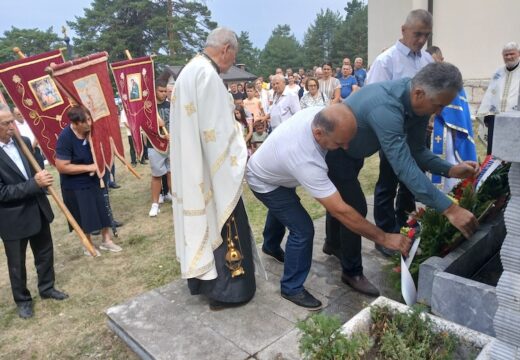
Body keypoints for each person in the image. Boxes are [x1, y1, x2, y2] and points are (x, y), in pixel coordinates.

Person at [323, 63, 479, 296]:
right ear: (419, 93)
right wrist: (450, 209)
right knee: (354, 206)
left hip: (354, 152)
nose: (437, 113)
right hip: (337, 151)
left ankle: (334, 244)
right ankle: (351, 271)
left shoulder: (417, 105)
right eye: (438, 106)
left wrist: (451, 170)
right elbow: (404, 167)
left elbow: (417, 151)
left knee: (344, 199)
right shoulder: (387, 107)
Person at [247, 104, 411, 309]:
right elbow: (340, 210)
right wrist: (384, 237)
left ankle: (270, 246)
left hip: (278, 173)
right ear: (318, 133)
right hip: (264, 182)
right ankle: (291, 287)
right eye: (339, 143)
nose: (346, 148)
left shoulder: (319, 113)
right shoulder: (305, 158)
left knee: (286, 207)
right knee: (303, 228)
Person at [170, 27, 260, 310]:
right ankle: (227, 290)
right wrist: (239, 137)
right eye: (233, 58)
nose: (231, 64)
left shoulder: (188, 71)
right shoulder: (208, 76)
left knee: (204, 222)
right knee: (225, 222)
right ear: (226, 50)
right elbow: (218, 133)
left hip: (195, 164)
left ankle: (203, 281)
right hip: (213, 170)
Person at [364, 9, 434, 256]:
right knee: (388, 182)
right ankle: (385, 235)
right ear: (404, 31)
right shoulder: (387, 61)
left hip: (417, 132)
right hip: (392, 133)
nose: (421, 40)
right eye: (417, 34)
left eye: (426, 35)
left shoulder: (427, 62)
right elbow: (373, 98)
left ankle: (406, 228)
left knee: (410, 182)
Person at [0, 109, 68, 319]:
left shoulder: (25, 142)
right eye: (6, 124)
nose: (13, 127)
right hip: (12, 218)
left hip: (37, 209)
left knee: (45, 253)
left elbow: (35, 170)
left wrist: (43, 182)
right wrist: (33, 184)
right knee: (17, 263)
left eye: (12, 122)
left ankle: (47, 288)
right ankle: (23, 300)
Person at [55, 106, 122, 255]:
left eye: (90, 119)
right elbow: (61, 166)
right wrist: (89, 167)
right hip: (75, 184)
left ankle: (106, 240)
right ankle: (88, 244)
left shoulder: (92, 131)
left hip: (95, 179)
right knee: (84, 214)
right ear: (75, 123)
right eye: (85, 121)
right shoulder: (66, 137)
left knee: (102, 208)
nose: (89, 123)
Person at [426, 46, 477, 192]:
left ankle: (451, 193)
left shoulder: (451, 77)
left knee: (449, 159)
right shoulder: (426, 78)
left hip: (448, 130)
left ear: (441, 59)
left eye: (435, 62)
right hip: (428, 130)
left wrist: (434, 116)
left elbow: (455, 108)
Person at [477, 41, 520, 155]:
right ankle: (494, 173)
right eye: (506, 55)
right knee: (494, 154)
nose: (509, 57)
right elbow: (490, 93)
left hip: (516, 122)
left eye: (512, 54)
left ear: (518, 53)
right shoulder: (498, 72)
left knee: (513, 154)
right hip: (496, 121)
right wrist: (487, 115)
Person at [148, 80, 172, 216]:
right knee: (157, 174)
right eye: (160, 91)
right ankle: (155, 204)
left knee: (171, 172)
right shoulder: (149, 108)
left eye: (165, 91)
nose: (163, 94)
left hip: (170, 143)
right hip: (154, 145)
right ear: (155, 91)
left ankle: (173, 197)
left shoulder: (170, 105)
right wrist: (157, 127)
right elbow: (144, 127)